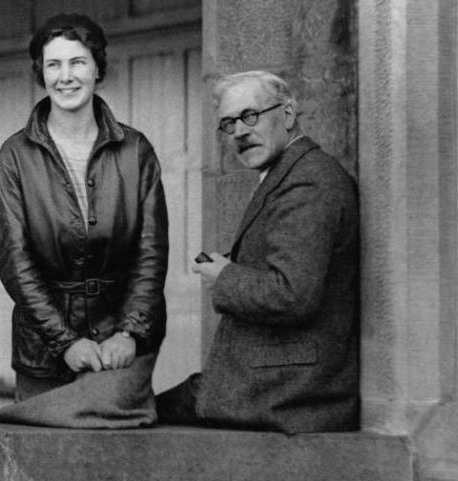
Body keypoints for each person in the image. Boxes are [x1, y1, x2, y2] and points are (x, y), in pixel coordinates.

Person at [154, 70, 360, 433]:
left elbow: (292, 294)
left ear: (289, 114)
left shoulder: (308, 181)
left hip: (290, 391)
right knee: (134, 407)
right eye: (228, 123)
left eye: (251, 116)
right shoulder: (290, 173)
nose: (239, 132)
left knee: (132, 415)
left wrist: (224, 277)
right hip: (272, 378)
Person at [0, 13, 169, 405]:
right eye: (53, 65)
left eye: (77, 62)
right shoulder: (15, 155)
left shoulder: (136, 150)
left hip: (120, 351)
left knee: (118, 460)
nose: (65, 76)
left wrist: (130, 332)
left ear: (97, 68)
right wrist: (65, 341)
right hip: (44, 353)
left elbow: (151, 252)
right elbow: (14, 259)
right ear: (41, 72)